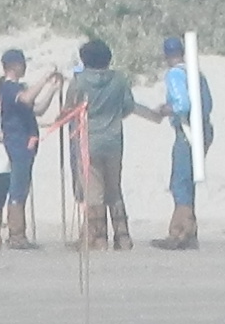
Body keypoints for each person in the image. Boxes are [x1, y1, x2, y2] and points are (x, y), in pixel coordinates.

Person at [63, 34, 133, 249]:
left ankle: (96, 237)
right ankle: (122, 236)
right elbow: (129, 107)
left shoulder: (79, 82)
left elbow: (69, 110)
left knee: (93, 190)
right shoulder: (120, 79)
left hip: (88, 141)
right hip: (113, 140)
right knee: (114, 188)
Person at [146, 33, 213, 248]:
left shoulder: (175, 74)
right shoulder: (196, 73)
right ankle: (190, 230)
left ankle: (180, 232)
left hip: (187, 132)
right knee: (188, 180)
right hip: (203, 130)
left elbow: (182, 105)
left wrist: (165, 110)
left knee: (180, 181)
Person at [0, 51, 43, 246]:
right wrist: (45, 77)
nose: (25, 67)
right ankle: (16, 234)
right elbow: (27, 99)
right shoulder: (9, 88)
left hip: (26, 143)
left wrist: (53, 88)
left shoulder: (18, 88)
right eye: (22, 63)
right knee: (18, 187)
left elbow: (37, 108)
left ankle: (17, 233)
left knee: (23, 185)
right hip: (18, 142)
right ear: (13, 66)